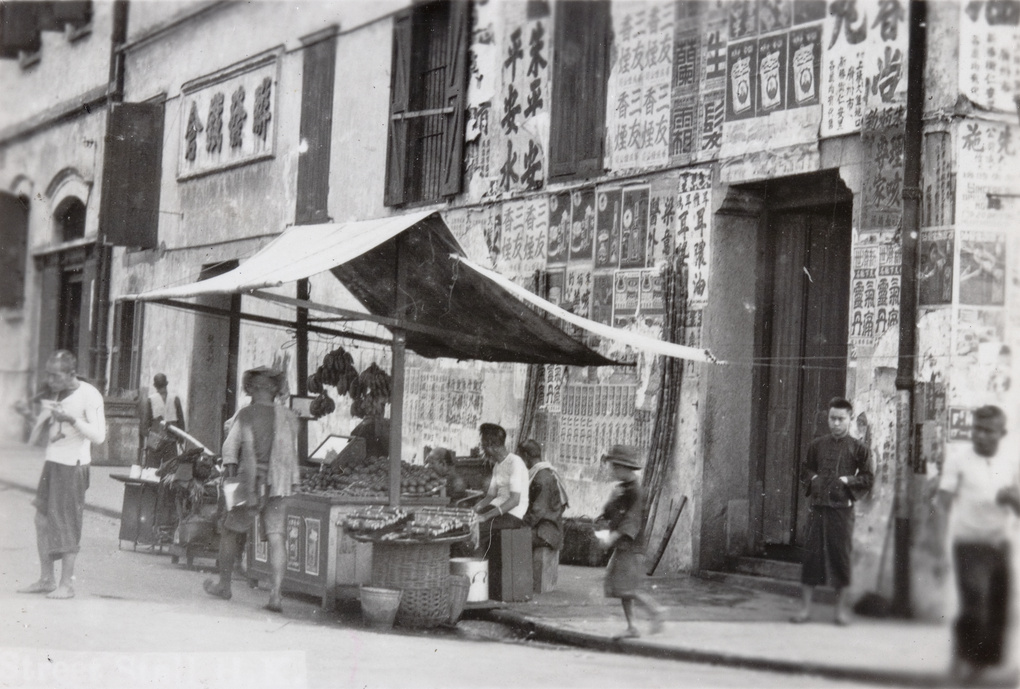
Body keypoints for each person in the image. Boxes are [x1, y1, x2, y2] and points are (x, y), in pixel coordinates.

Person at [203, 366, 300, 613]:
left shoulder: (246, 414)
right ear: (275, 389)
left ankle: (224, 586)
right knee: (277, 536)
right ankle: (276, 595)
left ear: (253, 388)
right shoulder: (289, 416)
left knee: (229, 530)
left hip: (249, 478)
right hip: (280, 481)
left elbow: (243, 449)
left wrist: (249, 486)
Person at [933, 405, 1019, 682]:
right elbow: (944, 502)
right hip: (968, 542)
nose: (980, 436)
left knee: (997, 610)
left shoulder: (1011, 462)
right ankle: (960, 658)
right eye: (977, 429)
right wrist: (938, 542)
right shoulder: (958, 459)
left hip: (999, 544)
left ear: (1001, 433)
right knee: (974, 605)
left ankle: (979, 670)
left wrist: (1013, 499)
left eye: (988, 431)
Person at [17, 350, 106, 600]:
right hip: (53, 462)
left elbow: (99, 436)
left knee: (66, 523)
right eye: (48, 375)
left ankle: (67, 584)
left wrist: (71, 420)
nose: (51, 380)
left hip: (73, 465)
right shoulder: (54, 391)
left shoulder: (89, 395)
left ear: (71, 374)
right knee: (41, 519)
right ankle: (47, 578)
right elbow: (43, 426)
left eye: (56, 375)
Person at [792, 397, 873, 625]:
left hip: (842, 511)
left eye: (840, 419)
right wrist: (814, 479)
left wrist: (848, 481)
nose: (835, 423)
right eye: (832, 418)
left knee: (840, 558)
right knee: (811, 558)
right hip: (818, 509)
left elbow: (868, 478)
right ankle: (805, 610)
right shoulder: (816, 445)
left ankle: (839, 612)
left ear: (849, 419)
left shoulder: (859, 449)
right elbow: (805, 470)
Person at [596, 444, 664, 639]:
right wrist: (611, 501)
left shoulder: (635, 491)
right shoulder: (622, 489)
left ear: (626, 468)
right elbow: (609, 513)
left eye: (616, 466)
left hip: (631, 547)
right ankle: (633, 625)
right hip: (623, 546)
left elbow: (631, 522)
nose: (613, 470)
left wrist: (611, 538)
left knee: (626, 587)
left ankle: (653, 612)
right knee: (621, 587)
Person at [472, 423, 529, 558]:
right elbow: (490, 496)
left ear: (491, 444)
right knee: (467, 524)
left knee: (475, 530)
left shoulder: (515, 463)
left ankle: (475, 572)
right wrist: (475, 509)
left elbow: (514, 501)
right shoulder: (497, 465)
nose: (481, 447)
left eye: (482, 444)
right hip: (498, 510)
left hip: (512, 515)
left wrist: (485, 516)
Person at [518, 439, 568, 591]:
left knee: (507, 536)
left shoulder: (541, 478)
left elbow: (537, 512)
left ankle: (518, 584)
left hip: (545, 532)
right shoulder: (547, 472)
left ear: (526, 456)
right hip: (549, 528)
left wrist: (518, 524)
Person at [140, 373, 186, 469]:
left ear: (155, 386)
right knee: (170, 468)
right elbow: (181, 421)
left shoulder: (151, 399)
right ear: (166, 384)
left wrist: (149, 435)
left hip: (155, 438)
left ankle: (152, 484)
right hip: (171, 438)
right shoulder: (175, 398)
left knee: (152, 468)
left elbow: (145, 424)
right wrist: (181, 439)